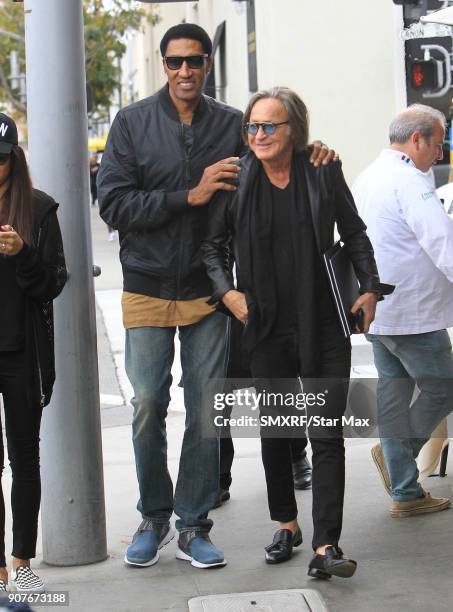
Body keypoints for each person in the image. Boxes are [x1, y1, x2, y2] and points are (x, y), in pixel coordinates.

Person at [98, 24, 333, 570]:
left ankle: (193, 525)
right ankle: (153, 516)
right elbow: (113, 203)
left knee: (207, 412)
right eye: (176, 62)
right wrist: (191, 195)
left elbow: (276, 158)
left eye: (196, 61)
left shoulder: (233, 124)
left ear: (207, 64)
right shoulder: (133, 122)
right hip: (147, 285)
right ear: (164, 65)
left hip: (211, 292)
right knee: (148, 405)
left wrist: (314, 151)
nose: (186, 71)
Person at [202, 87, 389, 579]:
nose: (258, 135)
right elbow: (212, 248)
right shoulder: (237, 178)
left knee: (326, 435)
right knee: (276, 432)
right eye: (252, 126)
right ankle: (287, 523)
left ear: (294, 131)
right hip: (263, 326)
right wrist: (228, 294)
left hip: (323, 321)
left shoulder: (322, 170)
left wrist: (368, 288)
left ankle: (327, 544)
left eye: (269, 126)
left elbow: (354, 232)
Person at [353, 104, 453, 518]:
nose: (441, 152)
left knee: (394, 395)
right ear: (417, 139)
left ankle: (406, 491)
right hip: (413, 312)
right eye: (439, 142)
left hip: (379, 308)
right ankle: (399, 460)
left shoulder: (368, 175)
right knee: (445, 387)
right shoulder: (410, 181)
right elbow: (442, 242)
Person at [0, 113, 67, 592]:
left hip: (20, 352)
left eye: (0, 159)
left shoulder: (39, 209)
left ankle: (21, 560)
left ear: (14, 159)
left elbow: (52, 284)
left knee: (24, 458)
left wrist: (23, 252)